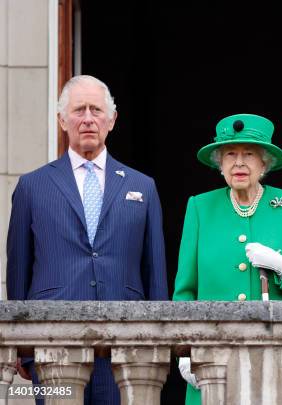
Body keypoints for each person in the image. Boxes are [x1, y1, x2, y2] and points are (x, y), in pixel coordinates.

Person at [7, 75, 168, 405]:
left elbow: (155, 271)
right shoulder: (32, 186)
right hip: (53, 343)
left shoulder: (144, 186)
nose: (88, 118)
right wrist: (21, 347)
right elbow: (18, 270)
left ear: (112, 119)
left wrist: (159, 341)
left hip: (126, 345)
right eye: (79, 110)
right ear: (62, 120)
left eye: (96, 109)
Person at [172, 113, 282, 405]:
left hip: (275, 357)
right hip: (212, 357)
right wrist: (185, 349)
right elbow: (185, 290)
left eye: (249, 155)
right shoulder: (200, 207)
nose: (239, 163)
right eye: (230, 154)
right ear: (220, 163)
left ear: (264, 162)